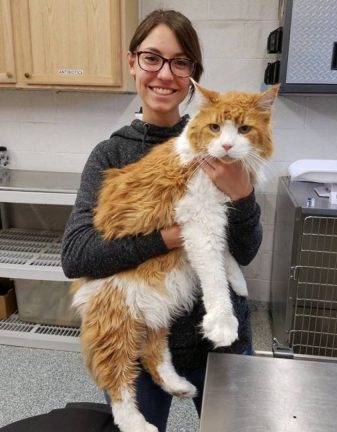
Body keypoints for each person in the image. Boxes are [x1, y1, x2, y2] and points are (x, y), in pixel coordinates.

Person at [61, 9, 261, 432]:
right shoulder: (110, 155)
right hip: (143, 332)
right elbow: (76, 256)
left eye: (180, 62)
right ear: (132, 62)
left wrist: (242, 195)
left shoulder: (223, 145)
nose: (165, 74)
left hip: (220, 338)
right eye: (152, 58)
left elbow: (245, 249)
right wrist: (171, 237)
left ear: (193, 75)